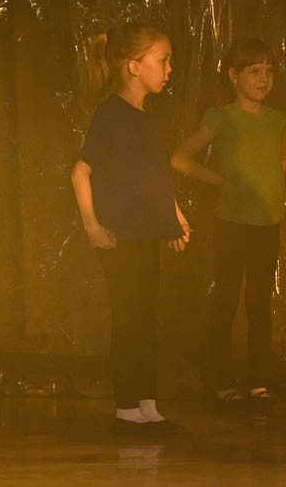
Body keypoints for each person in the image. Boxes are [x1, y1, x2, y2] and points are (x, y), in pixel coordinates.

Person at [71, 22, 190, 434]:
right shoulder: (111, 114)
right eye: (163, 61)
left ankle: (147, 404)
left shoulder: (146, 119)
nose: (169, 69)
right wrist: (92, 226)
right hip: (119, 237)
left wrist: (175, 216)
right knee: (128, 317)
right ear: (134, 66)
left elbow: (153, 176)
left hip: (144, 235)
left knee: (145, 318)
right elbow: (80, 172)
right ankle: (127, 407)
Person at [171, 38, 286, 408]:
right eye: (255, 71)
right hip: (232, 223)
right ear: (234, 76)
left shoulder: (278, 120)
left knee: (259, 302)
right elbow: (180, 159)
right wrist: (221, 180)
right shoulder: (221, 117)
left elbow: (279, 164)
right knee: (226, 299)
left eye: (269, 71)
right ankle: (219, 378)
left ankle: (258, 379)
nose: (264, 78)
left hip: (267, 222)